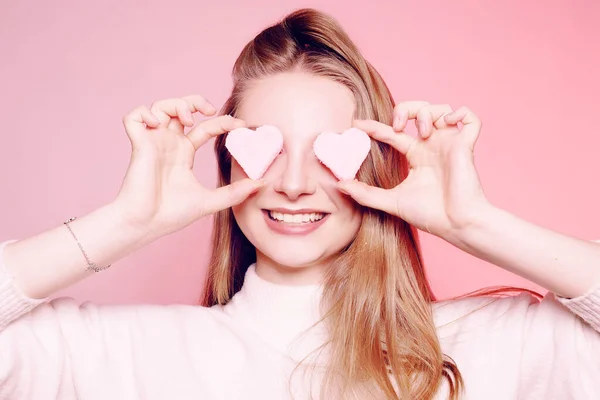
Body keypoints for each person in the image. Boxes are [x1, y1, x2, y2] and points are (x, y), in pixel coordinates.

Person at [0, 8, 598, 400]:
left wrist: (476, 225)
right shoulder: (120, 355)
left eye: (329, 153)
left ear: (373, 164)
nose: (292, 183)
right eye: (266, 149)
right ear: (228, 159)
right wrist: (123, 224)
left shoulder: (497, 344)